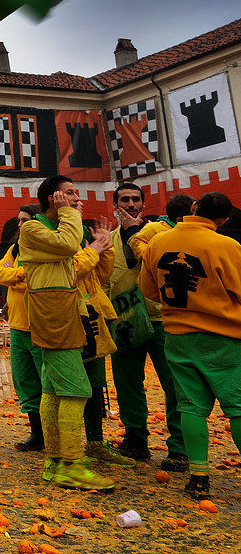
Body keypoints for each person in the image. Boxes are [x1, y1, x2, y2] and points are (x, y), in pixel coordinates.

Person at [140, 191, 241, 499]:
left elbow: (148, 289)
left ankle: (198, 477)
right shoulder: (226, 246)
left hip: (178, 336)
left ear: (195, 209)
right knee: (237, 406)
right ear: (222, 219)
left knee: (191, 406)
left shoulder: (159, 242)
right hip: (223, 337)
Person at [18, 175, 113, 491]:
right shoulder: (33, 227)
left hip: (61, 309)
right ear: (52, 198)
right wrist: (71, 215)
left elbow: (72, 263)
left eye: (77, 194)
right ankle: (72, 464)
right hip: (54, 313)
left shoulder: (50, 232)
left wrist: (100, 247)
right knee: (76, 388)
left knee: (54, 389)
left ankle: (56, 461)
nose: (77, 199)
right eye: (70, 194)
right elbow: (70, 245)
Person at [112, 189, 191, 469]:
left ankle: (180, 446)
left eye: (136, 200)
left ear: (144, 204)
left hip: (161, 318)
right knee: (127, 383)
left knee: (174, 384)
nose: (131, 204)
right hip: (123, 321)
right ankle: (135, 439)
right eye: (125, 200)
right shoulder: (108, 239)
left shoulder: (161, 233)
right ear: (116, 205)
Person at [72, 215, 133, 467]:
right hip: (71, 317)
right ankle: (66, 448)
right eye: (73, 199)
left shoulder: (83, 233)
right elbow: (69, 272)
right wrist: (91, 251)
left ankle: (95, 442)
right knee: (70, 385)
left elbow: (102, 276)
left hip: (94, 316)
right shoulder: (54, 238)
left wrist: (103, 250)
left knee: (96, 382)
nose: (78, 203)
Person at [0, 204, 45, 451]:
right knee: (25, 382)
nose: (20, 225)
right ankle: (37, 435)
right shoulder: (15, 248)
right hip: (17, 327)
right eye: (18, 220)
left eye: (25, 220)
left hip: (39, 327)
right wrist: (18, 276)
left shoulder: (45, 247)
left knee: (45, 382)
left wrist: (13, 276)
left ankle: (52, 435)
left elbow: (37, 279)